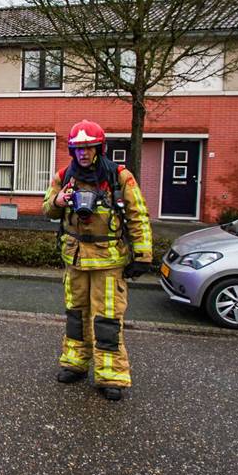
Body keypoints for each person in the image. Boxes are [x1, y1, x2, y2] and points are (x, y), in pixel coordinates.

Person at [42, 120, 152, 402]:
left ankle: (111, 375)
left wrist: (142, 255)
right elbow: (46, 208)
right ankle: (75, 364)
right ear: (71, 150)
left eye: (88, 148)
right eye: (78, 149)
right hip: (75, 260)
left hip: (108, 261)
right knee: (75, 316)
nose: (83, 154)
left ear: (99, 148)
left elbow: (138, 215)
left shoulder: (119, 177)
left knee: (106, 319)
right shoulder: (65, 176)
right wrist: (58, 202)